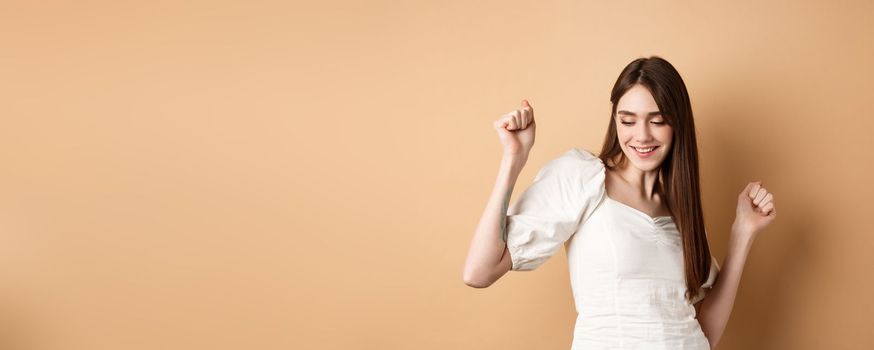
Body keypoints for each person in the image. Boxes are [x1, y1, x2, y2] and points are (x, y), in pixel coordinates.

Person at [462, 56, 776, 349]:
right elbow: (479, 271)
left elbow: (702, 333)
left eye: (657, 121)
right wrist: (513, 159)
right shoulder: (583, 176)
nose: (641, 136)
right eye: (628, 121)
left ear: (678, 123)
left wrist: (742, 232)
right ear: (615, 120)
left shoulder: (680, 211)